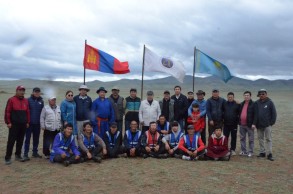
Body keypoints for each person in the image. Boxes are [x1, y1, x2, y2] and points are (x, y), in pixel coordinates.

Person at [4, 86, 30, 164]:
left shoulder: (26, 100)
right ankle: (8, 157)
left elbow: (27, 112)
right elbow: (7, 111)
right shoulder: (11, 100)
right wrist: (8, 122)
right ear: (17, 91)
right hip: (14, 124)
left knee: (20, 141)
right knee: (11, 141)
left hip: (23, 124)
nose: (22, 92)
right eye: (20, 90)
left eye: (23, 91)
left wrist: (28, 122)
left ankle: (18, 155)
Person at [252, 89, 277, 161]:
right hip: (259, 125)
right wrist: (255, 123)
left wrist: (271, 123)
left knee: (268, 139)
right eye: (260, 94)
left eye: (263, 94)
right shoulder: (256, 103)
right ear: (258, 95)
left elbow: (274, 114)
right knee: (260, 139)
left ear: (266, 94)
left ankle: (269, 154)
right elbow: (254, 113)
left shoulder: (270, 102)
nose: (262, 95)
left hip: (267, 125)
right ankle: (262, 152)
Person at [23, 87, 44, 160]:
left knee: (36, 139)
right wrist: (26, 122)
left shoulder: (41, 101)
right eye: (36, 92)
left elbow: (42, 113)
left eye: (38, 92)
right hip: (29, 124)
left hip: (37, 124)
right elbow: (25, 111)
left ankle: (35, 152)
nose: (37, 93)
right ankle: (25, 154)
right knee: (27, 139)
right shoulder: (28, 100)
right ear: (33, 92)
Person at [239, 91, 255, 157]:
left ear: (250, 96)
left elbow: (255, 114)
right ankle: (243, 151)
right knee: (242, 138)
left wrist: (254, 123)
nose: (246, 96)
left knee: (251, 139)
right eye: (245, 95)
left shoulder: (253, 104)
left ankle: (250, 152)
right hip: (242, 124)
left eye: (247, 95)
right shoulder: (242, 103)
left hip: (250, 125)